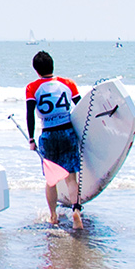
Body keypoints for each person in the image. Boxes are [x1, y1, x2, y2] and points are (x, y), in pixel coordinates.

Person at [24, 51, 82, 228]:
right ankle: (76, 211)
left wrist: (32, 139)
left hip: (48, 134)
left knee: (51, 180)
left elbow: (30, 115)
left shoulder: (32, 88)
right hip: (67, 132)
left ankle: (53, 215)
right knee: (71, 177)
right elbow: (81, 107)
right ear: (52, 66)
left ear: (36, 70)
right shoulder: (67, 83)